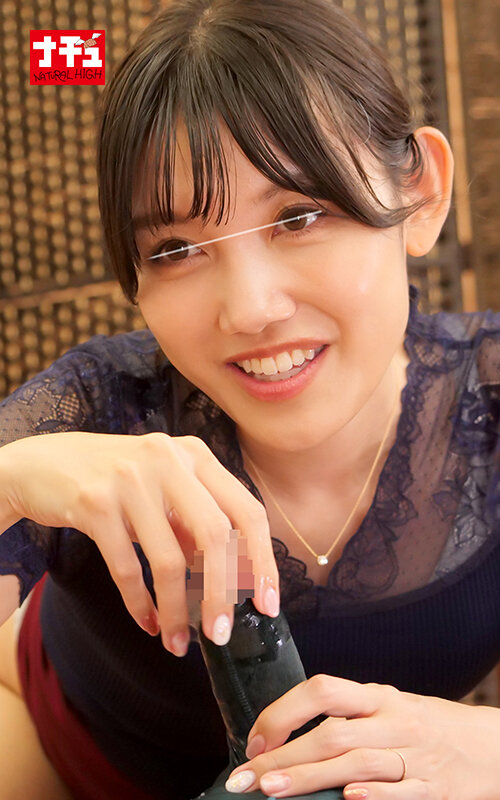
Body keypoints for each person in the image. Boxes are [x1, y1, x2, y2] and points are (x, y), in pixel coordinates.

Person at [0, 0, 499, 797]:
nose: (250, 310)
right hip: (68, 752)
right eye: (176, 249)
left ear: (422, 191)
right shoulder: (100, 406)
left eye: (299, 216)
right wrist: (14, 479)